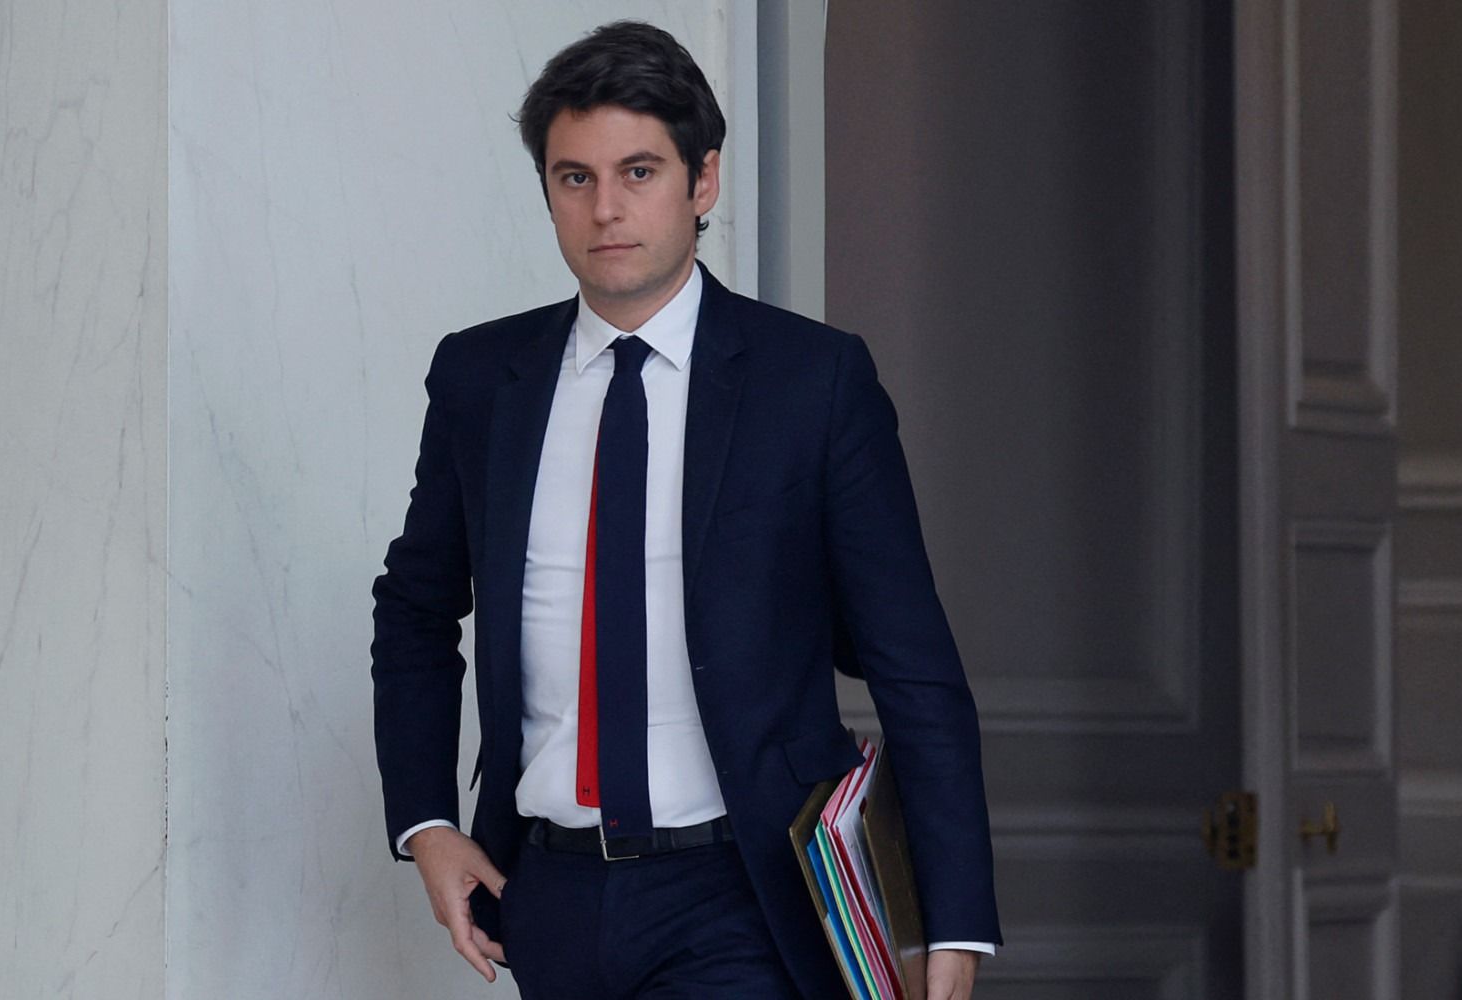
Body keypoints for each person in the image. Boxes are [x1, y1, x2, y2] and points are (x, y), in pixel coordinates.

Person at [370, 20, 1000, 999]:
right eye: (574, 177)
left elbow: (912, 662)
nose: (605, 208)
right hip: (547, 890)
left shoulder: (813, 382)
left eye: (638, 171)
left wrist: (951, 919)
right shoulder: (481, 378)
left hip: (741, 894)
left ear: (702, 181)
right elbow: (415, 605)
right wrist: (427, 823)